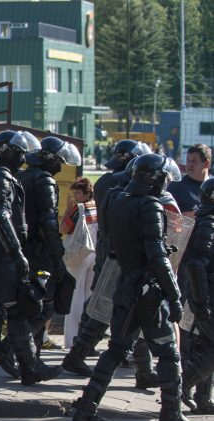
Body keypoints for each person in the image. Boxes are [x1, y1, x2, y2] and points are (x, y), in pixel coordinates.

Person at [67, 154, 201, 421]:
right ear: (154, 178)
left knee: (117, 348)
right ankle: (171, 415)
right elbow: (157, 256)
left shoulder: (118, 199)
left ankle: (86, 406)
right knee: (168, 353)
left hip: (126, 286)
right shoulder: (149, 205)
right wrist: (174, 295)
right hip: (148, 291)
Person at [62, 140, 157, 385]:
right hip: (123, 254)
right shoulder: (126, 187)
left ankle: (140, 368)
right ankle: (81, 355)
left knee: (105, 306)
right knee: (118, 307)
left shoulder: (106, 182)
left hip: (109, 249)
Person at [0, 130, 61, 385]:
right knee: (19, 311)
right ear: (10, 152)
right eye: (21, 151)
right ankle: (29, 368)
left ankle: (17, 360)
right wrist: (16, 253)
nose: (25, 156)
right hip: (1, 254)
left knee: (4, 310)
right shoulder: (2, 177)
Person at [18, 136, 81, 354]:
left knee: (30, 305)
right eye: (59, 162)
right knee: (45, 305)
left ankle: (27, 354)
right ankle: (25, 352)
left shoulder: (23, 176)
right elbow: (48, 224)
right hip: (40, 252)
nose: (60, 167)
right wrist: (58, 255)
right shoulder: (44, 181)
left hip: (24, 248)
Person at [180, 178, 214, 417]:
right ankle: (179, 386)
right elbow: (196, 262)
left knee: (207, 346)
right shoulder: (209, 223)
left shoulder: (206, 221)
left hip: (206, 295)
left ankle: (203, 399)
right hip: (206, 297)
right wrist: (202, 302)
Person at [60, 177, 98, 348]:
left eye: (77, 193)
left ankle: (71, 340)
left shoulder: (78, 209)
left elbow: (63, 229)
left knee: (74, 296)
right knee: (89, 297)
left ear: (86, 193)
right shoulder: (97, 207)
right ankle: (86, 339)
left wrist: (68, 210)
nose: (75, 196)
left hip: (79, 255)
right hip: (95, 253)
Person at [167, 143, 211, 218]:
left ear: (206, 164)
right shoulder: (176, 186)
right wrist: (202, 212)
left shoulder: (211, 186)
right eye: (188, 160)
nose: (189, 164)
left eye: (194, 161)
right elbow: (169, 217)